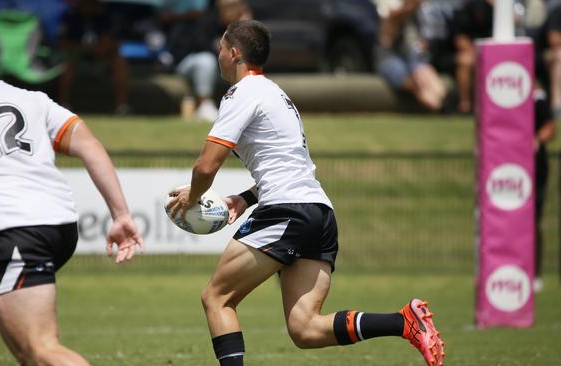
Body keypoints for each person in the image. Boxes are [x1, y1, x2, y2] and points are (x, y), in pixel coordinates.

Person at [166, 20, 445, 366]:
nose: (218, 54)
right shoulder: (277, 95)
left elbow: (206, 167)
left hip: (287, 211)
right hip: (318, 213)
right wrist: (246, 199)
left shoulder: (242, 94)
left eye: (221, 48)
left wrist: (191, 197)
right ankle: (403, 322)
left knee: (216, 298)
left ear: (234, 53)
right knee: (306, 329)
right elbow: (288, 166)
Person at [0, 21, 144, 365]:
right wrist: (121, 215)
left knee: (44, 349)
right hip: (62, 227)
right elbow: (90, 146)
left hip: (16, 233)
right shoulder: (31, 98)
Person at [160, 0, 251, 122]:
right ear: (219, 7)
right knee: (205, 60)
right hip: (187, 64)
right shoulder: (204, 20)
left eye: (237, 6)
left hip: (219, 69)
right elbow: (202, 49)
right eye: (229, 7)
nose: (235, 10)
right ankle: (205, 105)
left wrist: (245, 30)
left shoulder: (243, 27)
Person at [58, 0, 131, 115]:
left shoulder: (106, 17)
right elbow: (62, 43)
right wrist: (82, 47)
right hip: (76, 56)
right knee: (65, 64)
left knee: (119, 61)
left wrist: (101, 47)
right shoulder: (70, 17)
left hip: (101, 57)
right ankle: (63, 104)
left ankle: (121, 106)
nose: (88, 6)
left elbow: (114, 42)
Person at [375, 0, 447, 112]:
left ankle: (441, 107)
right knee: (421, 89)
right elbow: (387, 38)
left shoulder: (419, 17)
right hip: (390, 61)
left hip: (412, 61)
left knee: (438, 89)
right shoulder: (396, 15)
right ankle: (441, 109)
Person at [533, 89, 556, 292]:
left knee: (532, 223)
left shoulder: (537, 98)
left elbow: (550, 128)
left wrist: (536, 139)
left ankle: (535, 273)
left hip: (535, 170)